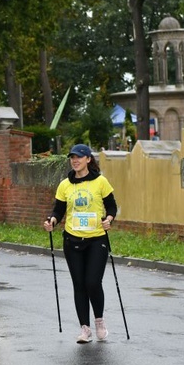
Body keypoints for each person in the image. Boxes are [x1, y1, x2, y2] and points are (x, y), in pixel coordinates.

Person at [43, 144, 118, 344]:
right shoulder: (65, 185)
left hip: (96, 239)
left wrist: (109, 219)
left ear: (88, 160)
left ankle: (99, 321)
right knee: (79, 285)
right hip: (72, 240)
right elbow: (58, 210)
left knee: (92, 282)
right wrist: (52, 220)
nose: (75, 161)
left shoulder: (100, 182)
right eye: (72, 158)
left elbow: (111, 205)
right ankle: (84, 329)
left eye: (79, 157)